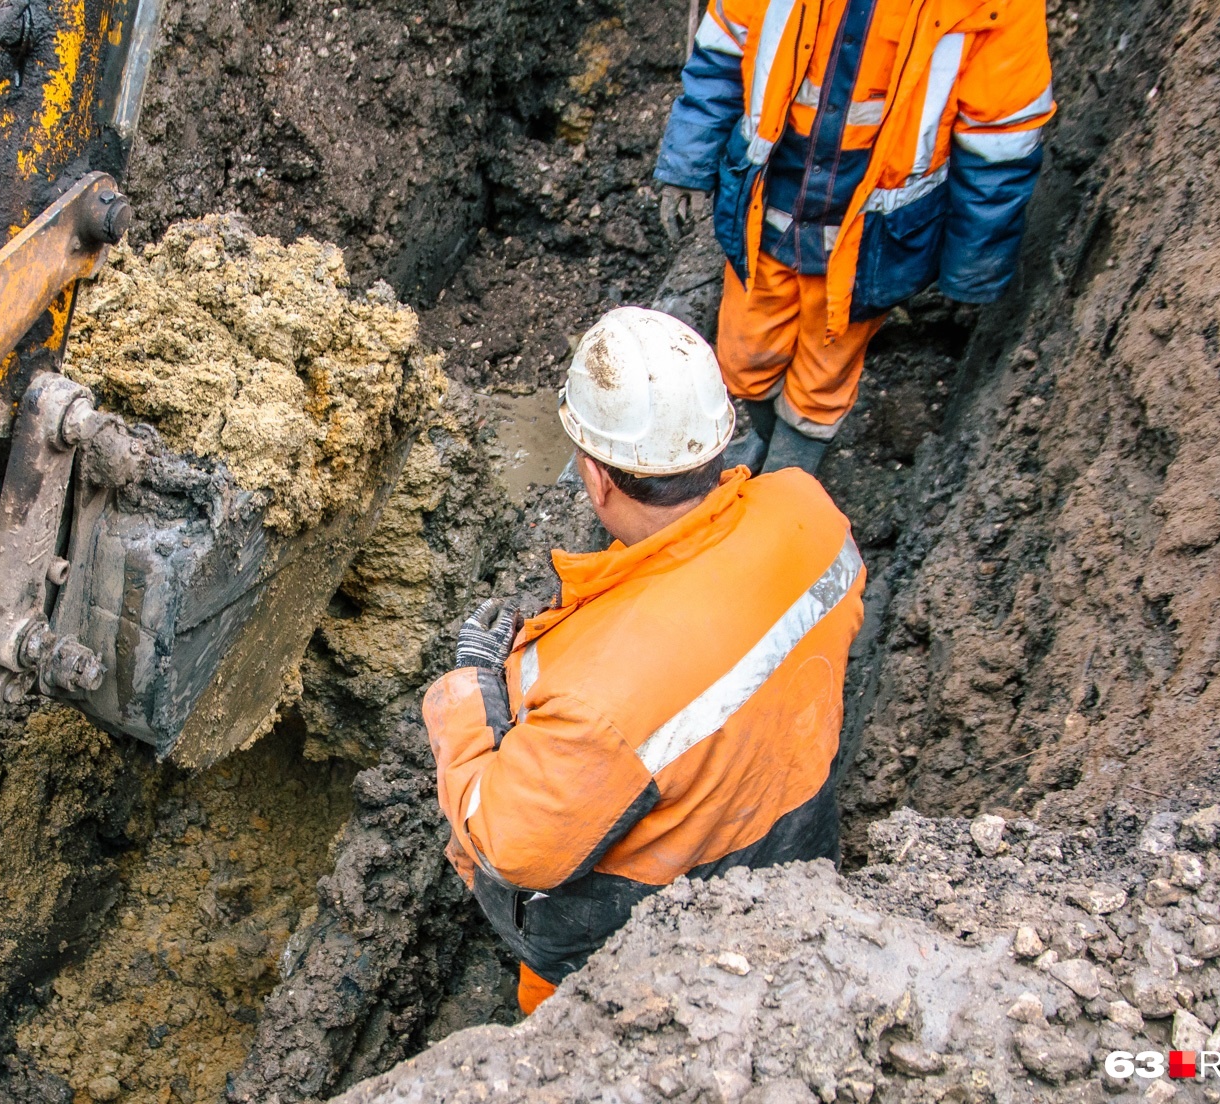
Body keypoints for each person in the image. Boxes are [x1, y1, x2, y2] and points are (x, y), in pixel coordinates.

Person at [424, 307, 866, 1014]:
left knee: (568, 1009)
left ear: (596, 478)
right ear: (718, 443)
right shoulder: (808, 512)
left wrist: (473, 692)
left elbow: (509, 843)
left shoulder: (597, 693)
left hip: (642, 924)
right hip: (794, 841)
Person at [654, 0, 1054, 473]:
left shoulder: (992, 7)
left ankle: (789, 478)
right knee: (745, 353)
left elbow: (1000, 137)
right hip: (767, 212)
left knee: (822, 379)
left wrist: (972, 264)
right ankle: (763, 441)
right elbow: (722, 53)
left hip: (871, 241)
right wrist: (687, 163)